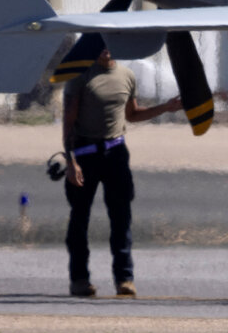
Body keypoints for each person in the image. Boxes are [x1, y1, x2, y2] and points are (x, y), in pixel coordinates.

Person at [62, 47, 182, 297]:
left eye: (110, 43)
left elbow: (132, 114)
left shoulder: (126, 75)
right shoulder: (80, 75)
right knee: (79, 219)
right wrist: (71, 161)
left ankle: (124, 279)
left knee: (121, 218)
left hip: (116, 153)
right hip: (85, 153)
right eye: (100, 43)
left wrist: (165, 108)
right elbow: (68, 121)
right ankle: (79, 279)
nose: (105, 49)